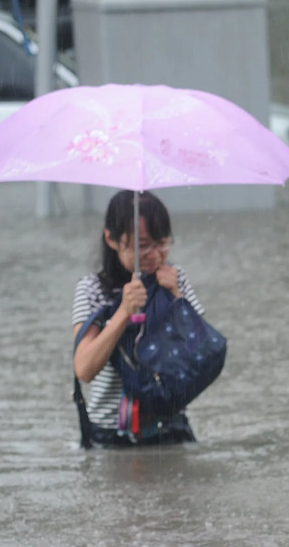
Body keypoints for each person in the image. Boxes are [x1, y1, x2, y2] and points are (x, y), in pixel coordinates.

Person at [71, 190, 204, 447]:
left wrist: (176, 298)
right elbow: (84, 369)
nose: (155, 254)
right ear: (111, 238)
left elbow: (199, 353)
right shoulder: (92, 289)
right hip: (110, 434)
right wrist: (123, 312)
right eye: (142, 246)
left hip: (170, 426)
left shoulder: (175, 280)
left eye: (162, 242)